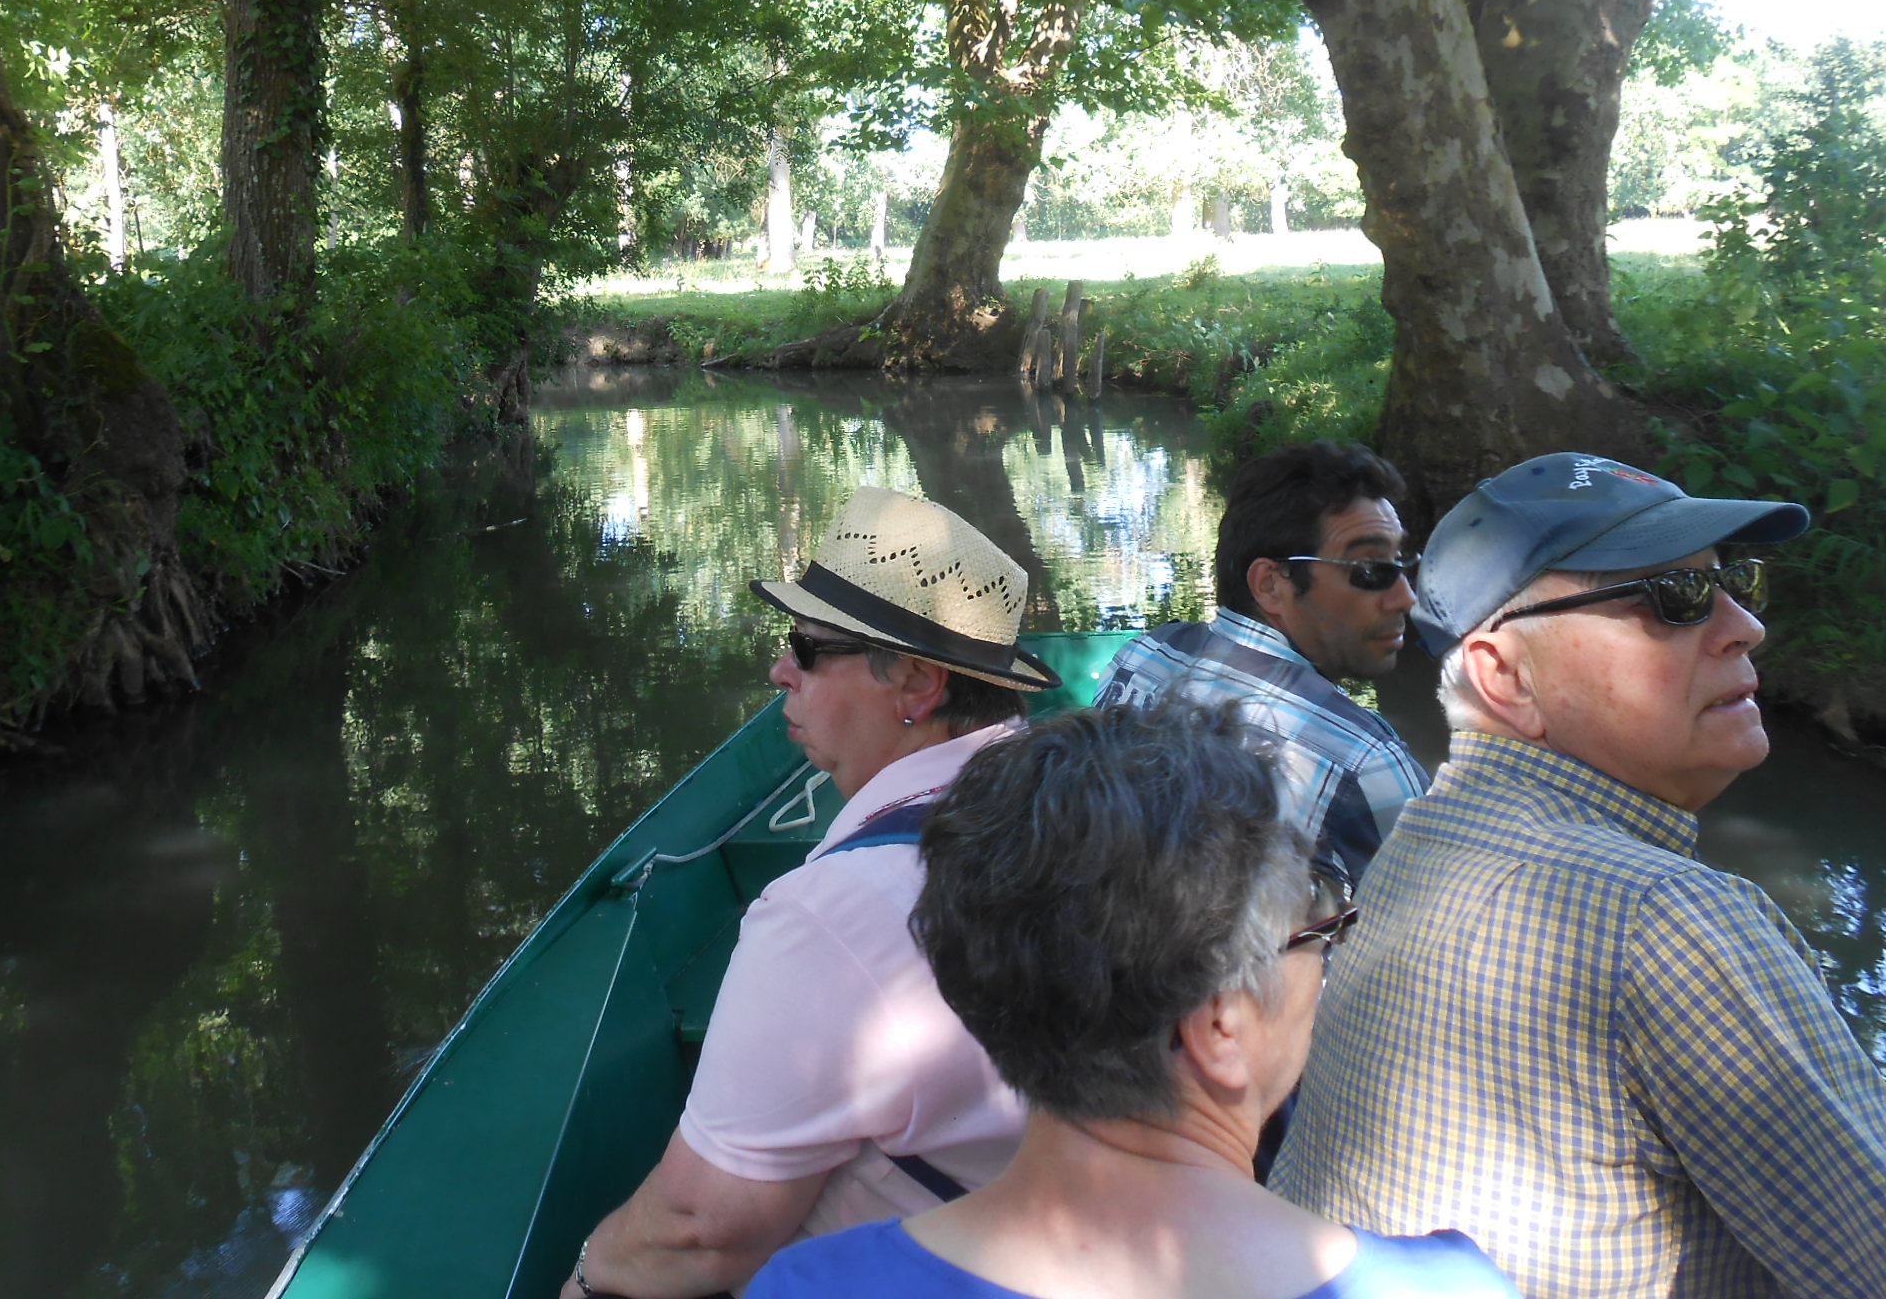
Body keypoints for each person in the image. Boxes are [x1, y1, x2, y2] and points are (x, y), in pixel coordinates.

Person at [1272, 451, 1886, 1298]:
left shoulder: (1418, 839)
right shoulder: (1670, 921)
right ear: (1503, 677)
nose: (1746, 624)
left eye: (1735, 581)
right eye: (1675, 598)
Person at [746, 699, 1523, 1299]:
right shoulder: (1448, 1289)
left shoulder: (807, 1286)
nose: (1326, 954)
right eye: (1319, 925)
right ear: (1220, 1020)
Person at [568, 486, 1062, 1299]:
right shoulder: (1078, 812)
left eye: (806, 645)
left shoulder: (834, 910)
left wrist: (585, 1276)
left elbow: (697, 1233)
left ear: (914, 683)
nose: (779, 670)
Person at [1092, 441, 1426, 887]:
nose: (1406, 596)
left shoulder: (1144, 656)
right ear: (1271, 584)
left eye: (1402, 564)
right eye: (1370, 569)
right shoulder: (1366, 762)